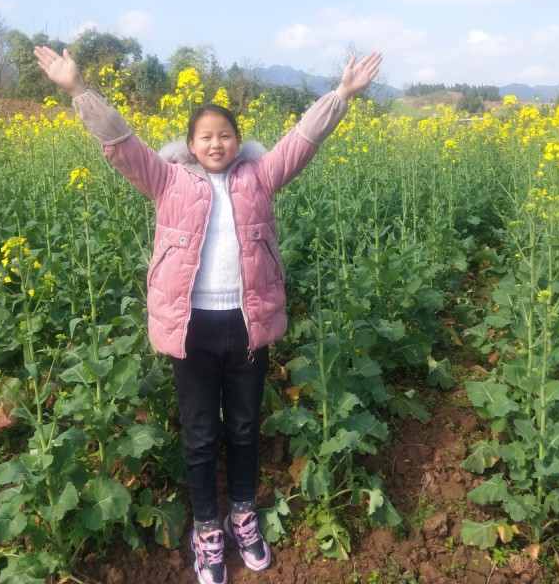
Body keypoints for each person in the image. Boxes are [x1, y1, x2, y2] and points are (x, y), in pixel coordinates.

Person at [33, 44, 382, 584]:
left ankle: (242, 516)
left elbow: (303, 140)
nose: (216, 143)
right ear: (190, 145)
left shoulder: (261, 177)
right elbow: (120, 143)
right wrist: (79, 90)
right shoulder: (166, 179)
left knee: (243, 428)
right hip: (191, 329)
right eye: (205, 136)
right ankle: (205, 531)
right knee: (199, 435)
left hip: (247, 326)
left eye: (225, 134)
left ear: (238, 141)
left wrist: (341, 94)